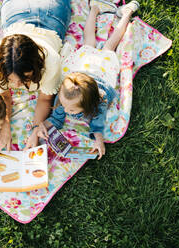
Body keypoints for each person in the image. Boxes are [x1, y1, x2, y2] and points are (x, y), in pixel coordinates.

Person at [35, 1, 140, 160]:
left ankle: (127, 14)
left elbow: (97, 126)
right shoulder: (67, 98)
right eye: (65, 106)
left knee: (110, 46)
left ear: (87, 105)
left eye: (71, 110)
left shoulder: (98, 104)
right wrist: (41, 126)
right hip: (84, 70)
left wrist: (99, 141)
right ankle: (95, 9)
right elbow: (55, 118)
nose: (65, 109)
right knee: (88, 41)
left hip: (103, 71)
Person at [0, 0, 72, 156]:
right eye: (10, 80)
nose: (17, 85)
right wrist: (5, 126)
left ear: (36, 66)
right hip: (17, 12)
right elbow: (3, 96)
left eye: (25, 79)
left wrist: (36, 128)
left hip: (51, 16)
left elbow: (45, 100)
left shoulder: (50, 61)